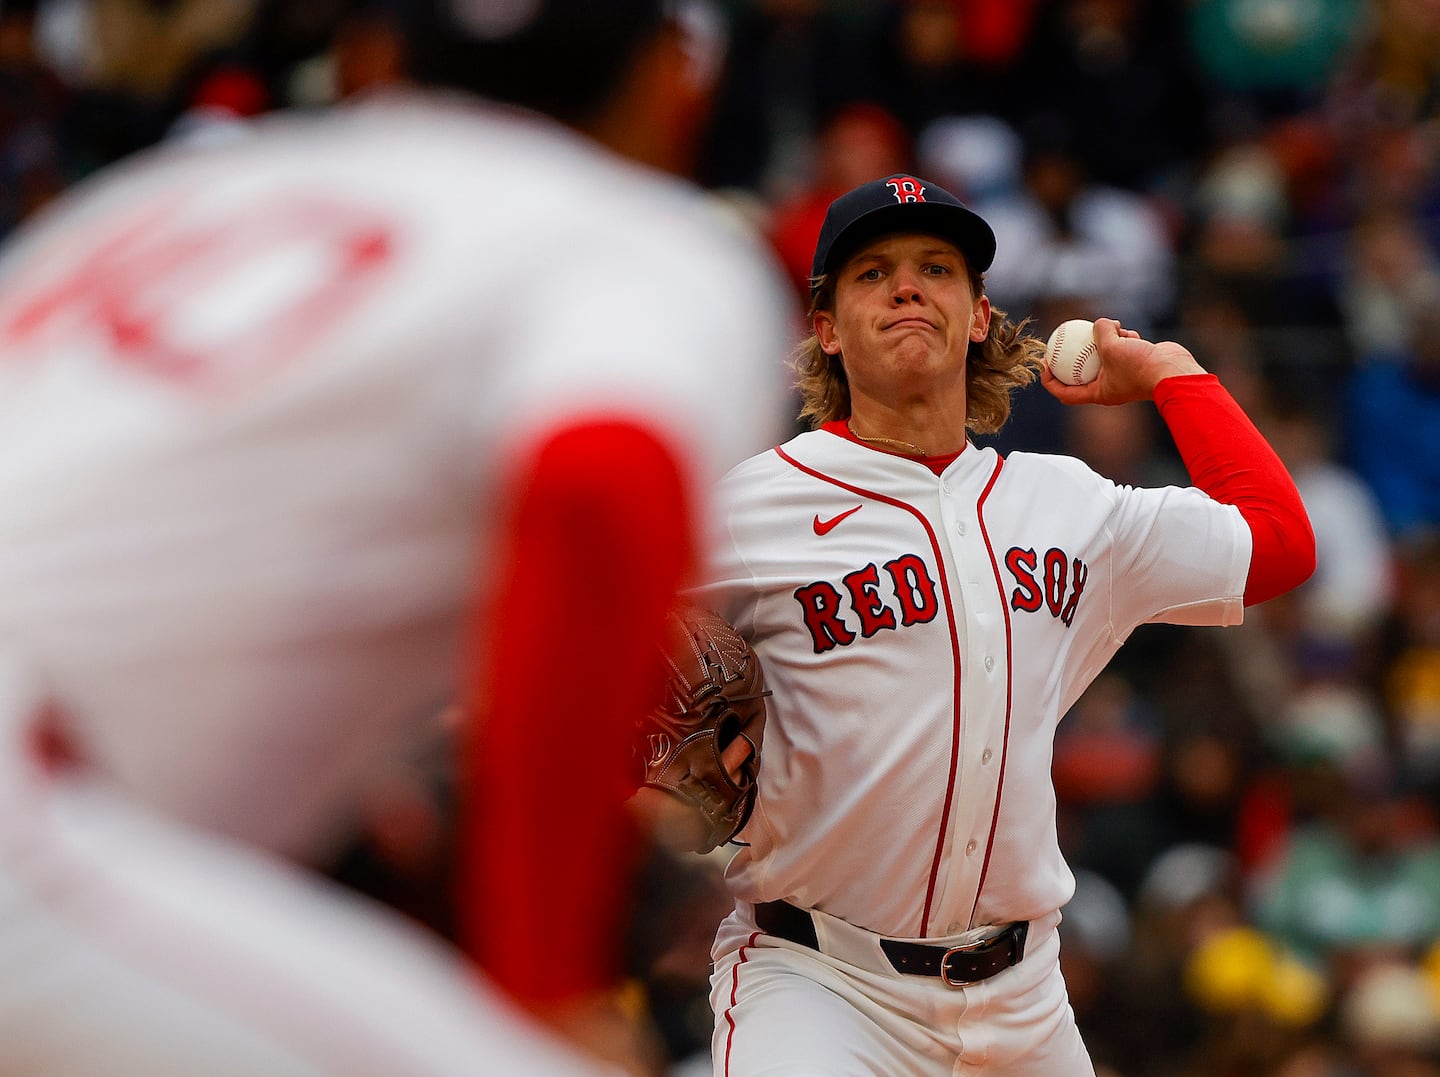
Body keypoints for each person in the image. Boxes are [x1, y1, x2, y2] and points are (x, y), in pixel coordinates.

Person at [0, 1, 791, 1074]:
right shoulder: (628, 240)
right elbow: (602, 483)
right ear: (671, 80)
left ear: (378, 58)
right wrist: (544, 989)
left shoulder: (176, 193)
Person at [693, 173, 1316, 1075]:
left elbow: (1282, 546)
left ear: (979, 314)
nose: (908, 286)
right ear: (826, 329)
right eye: (873, 273)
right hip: (821, 984)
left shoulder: (1068, 506)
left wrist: (1173, 374)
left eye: (937, 268)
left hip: (1025, 998)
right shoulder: (749, 508)